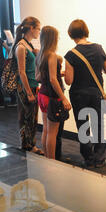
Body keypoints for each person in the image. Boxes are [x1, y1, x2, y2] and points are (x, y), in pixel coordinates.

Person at [64, 19, 106, 168]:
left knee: (83, 126)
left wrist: (65, 73)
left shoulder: (71, 55)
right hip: (97, 93)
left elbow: (69, 81)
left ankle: (88, 159)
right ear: (86, 31)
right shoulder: (99, 48)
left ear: (71, 34)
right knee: (99, 125)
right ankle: (100, 158)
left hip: (79, 95)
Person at [35, 26, 71, 160]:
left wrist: (56, 74)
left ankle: (47, 159)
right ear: (53, 39)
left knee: (46, 129)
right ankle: (52, 162)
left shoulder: (40, 55)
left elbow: (38, 77)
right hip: (52, 97)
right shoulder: (52, 55)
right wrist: (64, 98)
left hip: (42, 95)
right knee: (52, 132)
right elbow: (52, 79)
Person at [13, 17, 43, 153]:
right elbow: (22, 72)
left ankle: (30, 145)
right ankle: (27, 145)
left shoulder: (28, 45)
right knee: (26, 117)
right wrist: (29, 92)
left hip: (32, 85)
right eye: (38, 29)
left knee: (31, 117)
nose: (39, 32)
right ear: (31, 28)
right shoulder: (21, 46)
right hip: (26, 87)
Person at [0, 37, 9, 108]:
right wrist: (5, 57)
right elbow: (7, 48)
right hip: (2, 63)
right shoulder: (0, 39)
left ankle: (2, 102)